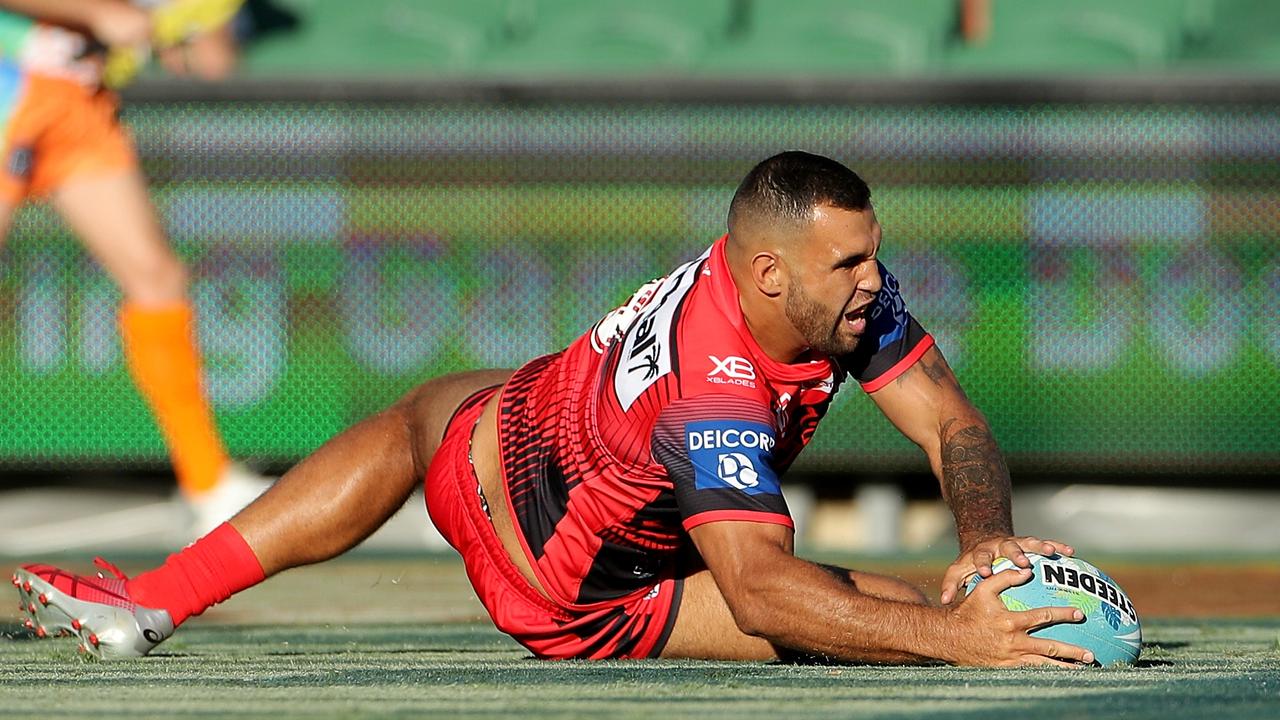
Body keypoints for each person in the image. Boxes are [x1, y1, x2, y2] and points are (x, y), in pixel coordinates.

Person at [13, 151, 1096, 667]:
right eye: (849, 261)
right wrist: (951, 634)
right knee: (889, 629)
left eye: (872, 252)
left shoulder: (828, 294)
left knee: (422, 414)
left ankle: (150, 602)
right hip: (568, 590)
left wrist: (984, 550)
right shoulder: (707, 386)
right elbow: (761, 594)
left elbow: (951, 424)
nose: (873, 278)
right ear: (767, 276)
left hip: (495, 429)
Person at [0, 0, 270, 535]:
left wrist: (181, 28)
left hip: (76, 97)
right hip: (12, 81)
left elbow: (213, 60)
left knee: (156, 277)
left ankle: (208, 480)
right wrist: (99, 13)